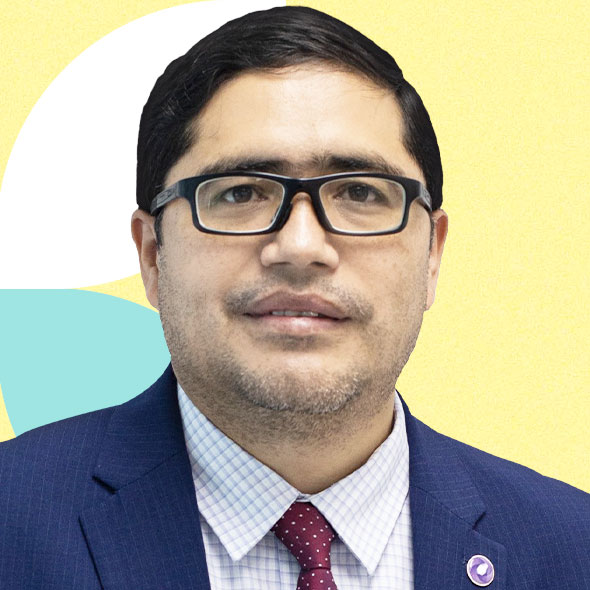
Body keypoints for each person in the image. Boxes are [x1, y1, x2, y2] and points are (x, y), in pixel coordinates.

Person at [1, 6, 589, 589]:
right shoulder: (14, 518)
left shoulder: (573, 546)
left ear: (432, 253)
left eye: (360, 192)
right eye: (239, 193)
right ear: (154, 254)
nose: (301, 246)